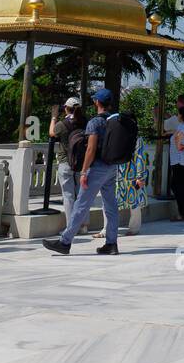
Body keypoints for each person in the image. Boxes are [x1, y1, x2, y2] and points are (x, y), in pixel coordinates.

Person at [43, 88, 126, 255]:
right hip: (112, 167)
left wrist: (83, 171)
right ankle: (111, 243)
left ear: (97, 102)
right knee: (111, 206)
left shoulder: (95, 122)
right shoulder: (115, 119)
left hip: (97, 168)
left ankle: (65, 242)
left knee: (81, 204)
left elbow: (91, 149)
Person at [51, 98, 89, 236]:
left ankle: (70, 227)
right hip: (82, 162)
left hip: (65, 161)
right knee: (82, 194)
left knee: (68, 196)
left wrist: (54, 117)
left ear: (66, 108)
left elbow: (52, 133)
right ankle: (83, 225)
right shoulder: (85, 122)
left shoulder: (63, 124)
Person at [118, 135, 152, 235]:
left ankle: (134, 228)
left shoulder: (136, 137)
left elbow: (140, 156)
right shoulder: (114, 132)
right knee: (108, 201)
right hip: (116, 172)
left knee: (134, 201)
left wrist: (140, 176)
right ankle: (106, 228)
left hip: (131, 173)